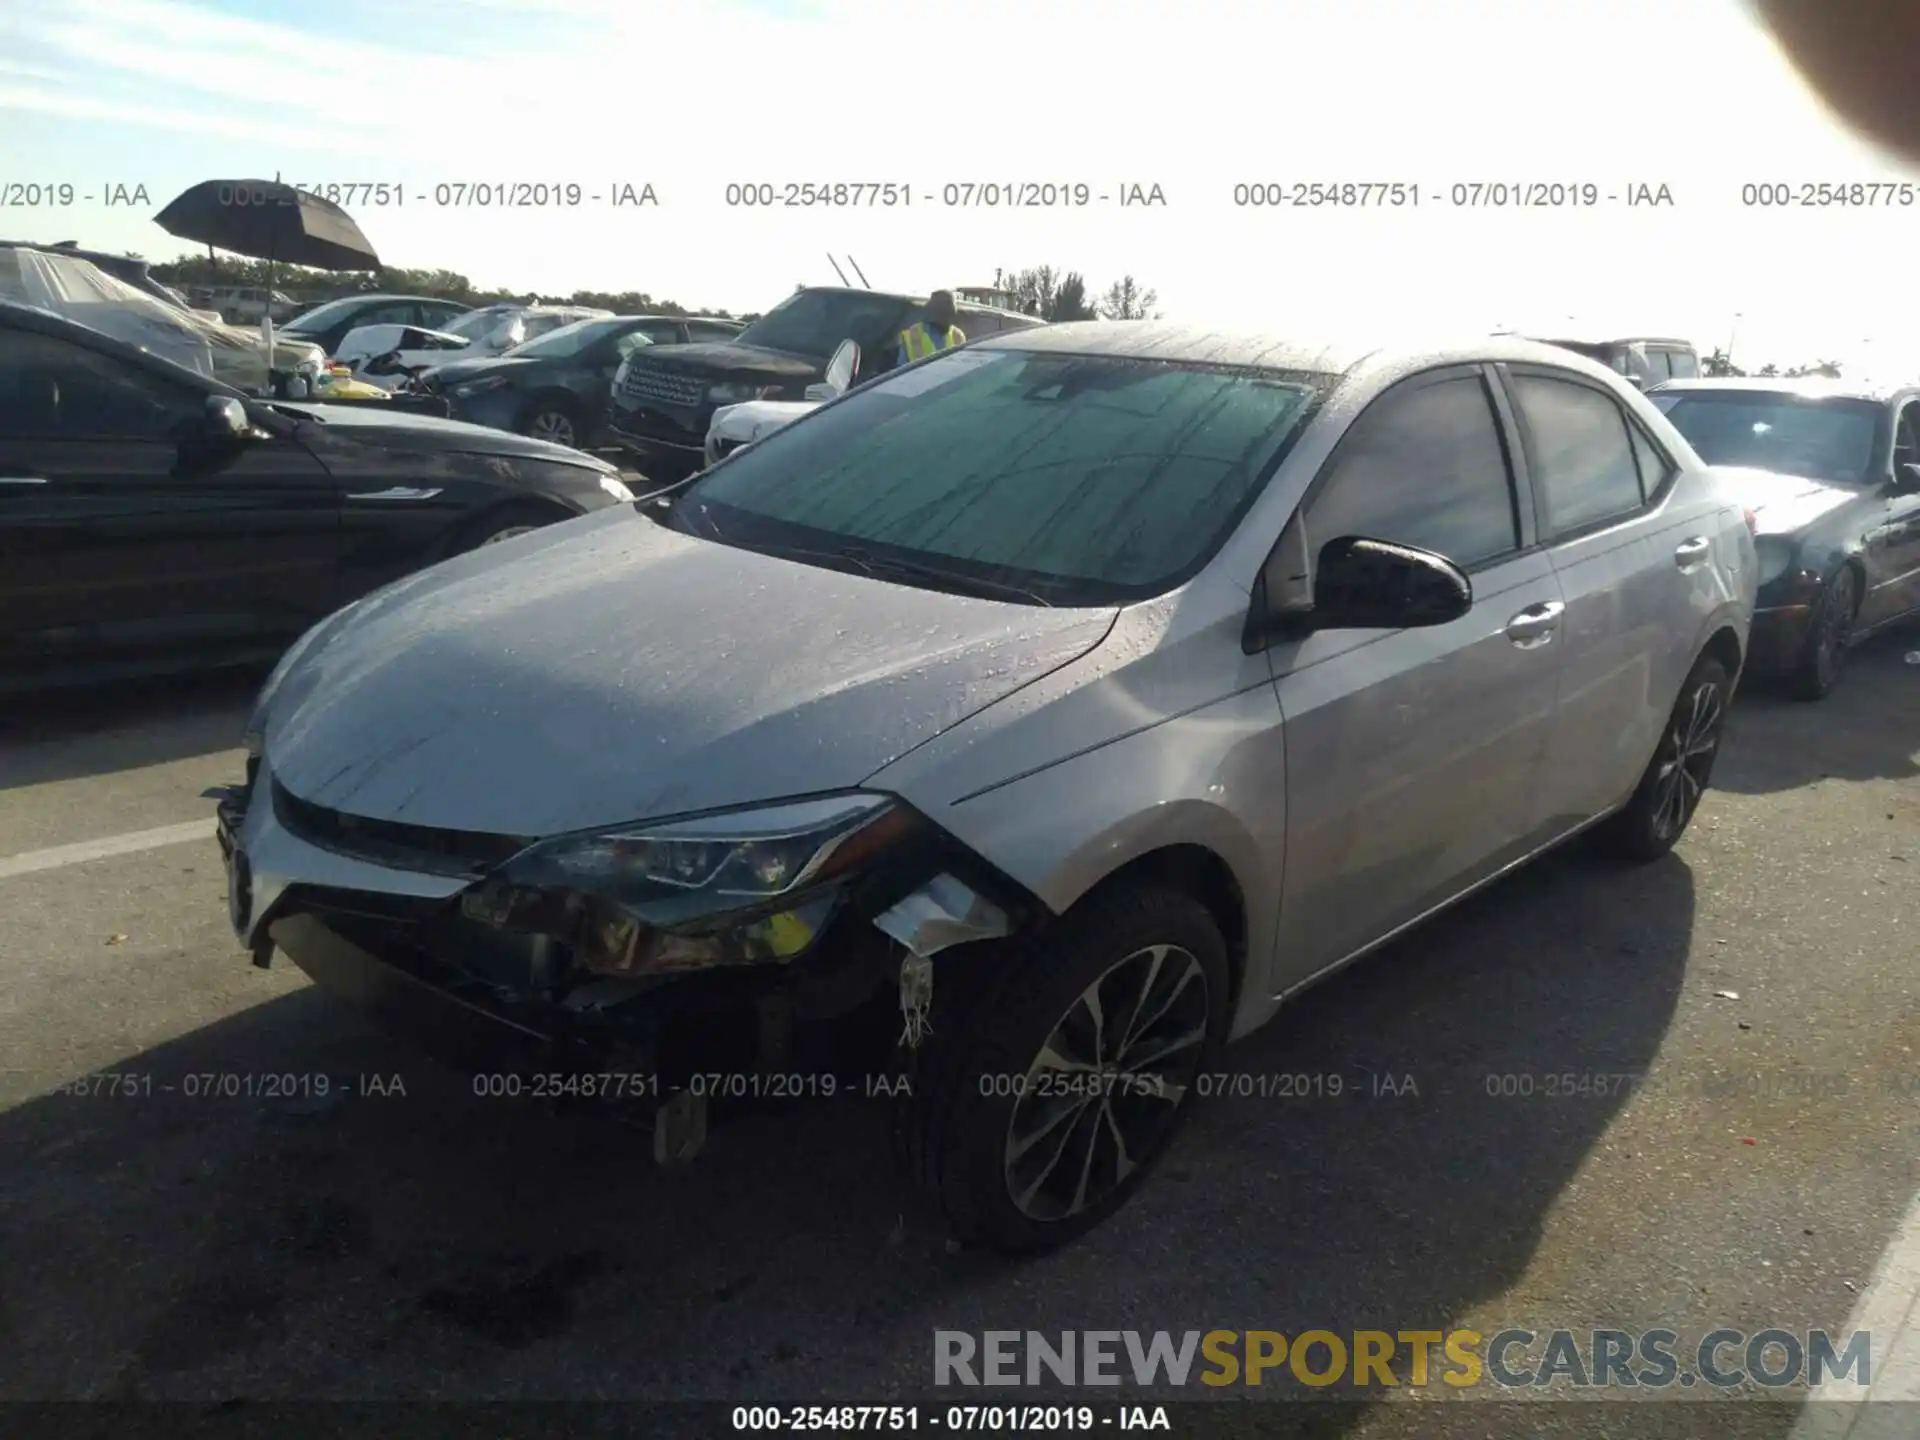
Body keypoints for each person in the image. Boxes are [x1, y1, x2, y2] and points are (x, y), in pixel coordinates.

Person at [896, 290, 966, 368]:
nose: (948, 318)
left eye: (949, 314)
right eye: (944, 313)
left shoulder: (958, 336)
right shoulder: (912, 334)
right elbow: (901, 371)